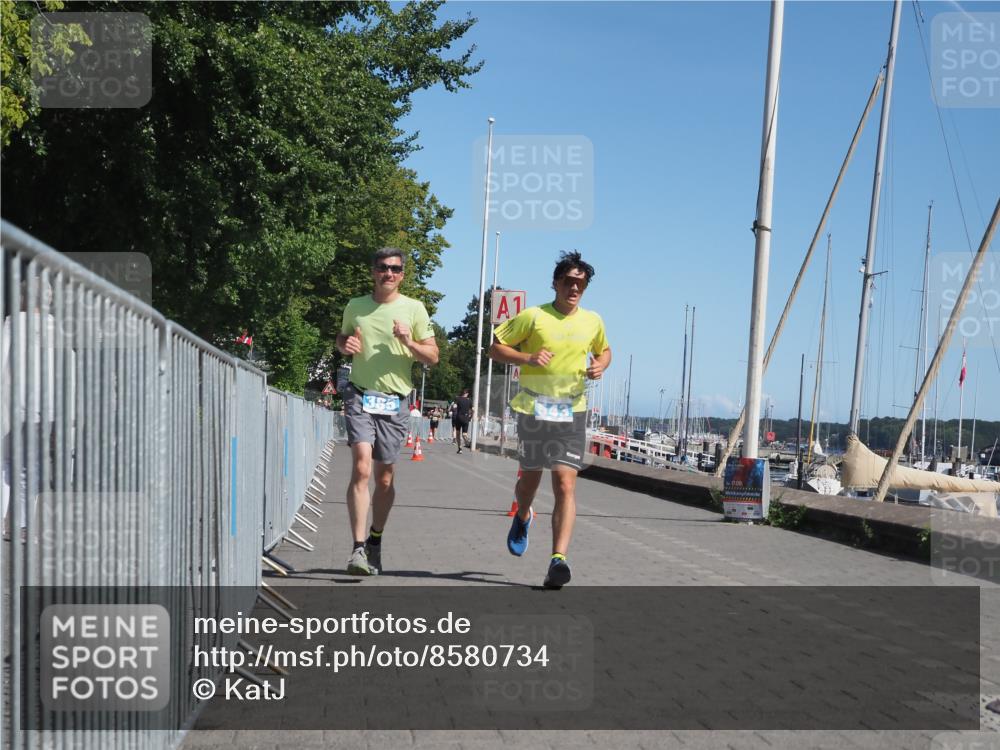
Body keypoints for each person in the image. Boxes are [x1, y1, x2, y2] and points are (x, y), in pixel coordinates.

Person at [489, 251, 611, 589]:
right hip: (533, 409)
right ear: (556, 283)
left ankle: (558, 559)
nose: (574, 288)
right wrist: (527, 357)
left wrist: (601, 365)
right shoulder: (533, 316)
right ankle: (523, 514)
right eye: (568, 282)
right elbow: (495, 348)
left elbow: (604, 350)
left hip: (572, 410)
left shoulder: (593, 321)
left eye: (581, 284)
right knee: (529, 481)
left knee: (565, 483)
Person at [335, 247, 438, 575]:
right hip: (360, 395)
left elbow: (433, 356)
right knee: (361, 467)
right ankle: (357, 549)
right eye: (382, 267)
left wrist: (409, 343)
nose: (388, 273)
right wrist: (345, 345)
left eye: (394, 268)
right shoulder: (356, 306)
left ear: (402, 275)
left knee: (385, 477)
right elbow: (342, 338)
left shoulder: (414, 308)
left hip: (395, 401)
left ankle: (375, 539)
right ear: (373, 272)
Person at [452, 389, 473, 454]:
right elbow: (473, 409)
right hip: (466, 418)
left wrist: (455, 408)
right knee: (464, 434)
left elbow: (454, 406)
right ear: (467, 394)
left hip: (459, 418)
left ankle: (460, 449)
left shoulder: (458, 399)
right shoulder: (469, 400)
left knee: (458, 434)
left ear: (462, 393)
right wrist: (471, 416)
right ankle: (468, 443)